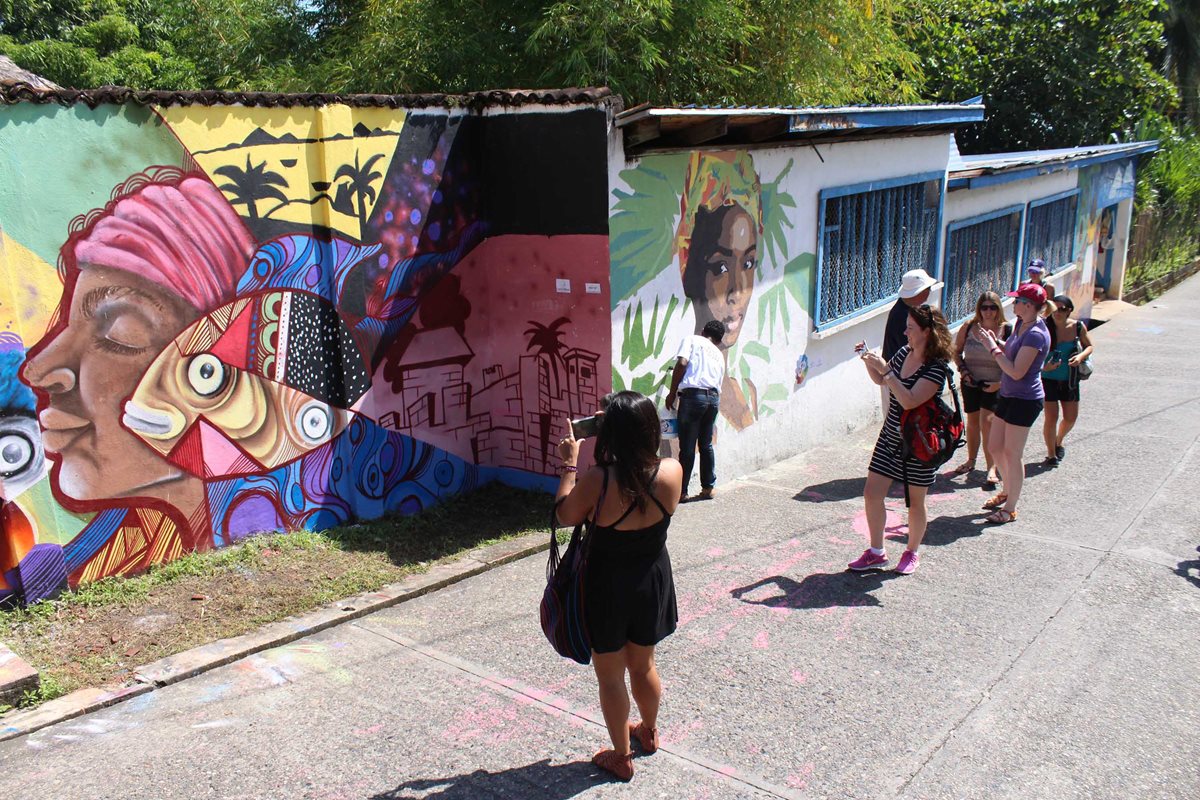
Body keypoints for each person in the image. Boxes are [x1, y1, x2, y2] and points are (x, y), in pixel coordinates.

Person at [555, 391, 683, 782]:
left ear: (610, 433)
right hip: (651, 580)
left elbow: (564, 515)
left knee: (610, 676)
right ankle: (649, 730)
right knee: (644, 665)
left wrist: (569, 464)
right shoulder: (672, 471)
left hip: (607, 586)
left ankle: (621, 756)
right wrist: (621, 425)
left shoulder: (599, 479)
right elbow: (643, 471)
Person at [850, 304, 954, 575]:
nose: (905, 332)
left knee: (915, 502)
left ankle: (912, 552)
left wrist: (886, 371)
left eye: (910, 328)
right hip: (890, 437)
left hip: (919, 443)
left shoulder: (936, 369)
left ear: (927, 332)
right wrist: (869, 361)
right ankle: (876, 552)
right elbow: (882, 380)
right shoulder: (904, 352)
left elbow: (909, 400)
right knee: (872, 493)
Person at [675, 152, 761, 429]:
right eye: (721, 268)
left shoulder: (748, 392)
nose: (738, 290)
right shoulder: (682, 402)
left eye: (748, 263)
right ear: (689, 271)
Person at [971, 283, 1052, 524]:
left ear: (1028, 305)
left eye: (1017, 301)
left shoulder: (1036, 334)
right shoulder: (1021, 324)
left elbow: (1016, 371)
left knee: (1012, 453)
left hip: (1025, 399)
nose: (1013, 304)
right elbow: (1013, 352)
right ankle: (1007, 490)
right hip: (1008, 394)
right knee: (995, 446)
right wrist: (996, 342)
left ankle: (1010, 508)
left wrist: (992, 348)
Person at [950, 292, 1012, 486]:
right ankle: (971, 460)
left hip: (995, 383)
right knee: (973, 422)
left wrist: (1001, 383)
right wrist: (963, 371)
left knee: (988, 424)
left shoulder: (1007, 329)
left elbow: (1014, 360)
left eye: (993, 307)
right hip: (971, 382)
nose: (988, 311)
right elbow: (956, 352)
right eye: (984, 307)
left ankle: (991, 467)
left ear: (998, 309)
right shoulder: (969, 327)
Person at [665, 320, 726, 502]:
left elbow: (682, 363)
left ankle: (681, 492)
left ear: (703, 331)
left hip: (693, 398)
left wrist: (672, 393)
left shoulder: (692, 339)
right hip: (713, 399)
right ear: (719, 340)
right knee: (706, 445)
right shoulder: (719, 354)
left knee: (688, 446)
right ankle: (708, 487)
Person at [1041, 294, 1094, 466]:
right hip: (1047, 378)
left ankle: (1058, 441)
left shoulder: (1077, 327)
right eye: (1055, 309)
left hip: (1069, 379)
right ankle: (1051, 454)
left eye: (1062, 309)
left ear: (1069, 310)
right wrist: (1044, 366)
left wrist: (1080, 357)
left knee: (1070, 418)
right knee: (1051, 418)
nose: (1058, 312)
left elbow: (1089, 346)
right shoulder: (1043, 326)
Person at [881, 269, 937, 415]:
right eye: (928, 289)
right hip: (897, 380)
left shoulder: (906, 310)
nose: (929, 292)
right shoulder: (903, 316)